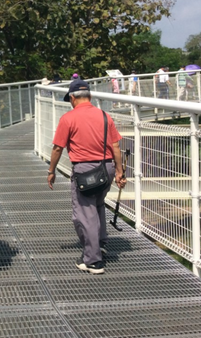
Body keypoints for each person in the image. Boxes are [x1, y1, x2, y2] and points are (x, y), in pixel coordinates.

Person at [47, 80, 126, 274]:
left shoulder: (68, 118)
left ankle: (92, 260)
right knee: (98, 206)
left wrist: (51, 171)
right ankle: (100, 243)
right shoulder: (105, 116)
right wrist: (119, 171)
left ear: (72, 98)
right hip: (106, 168)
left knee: (84, 214)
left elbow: (57, 148)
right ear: (89, 96)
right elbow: (115, 146)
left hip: (85, 171)